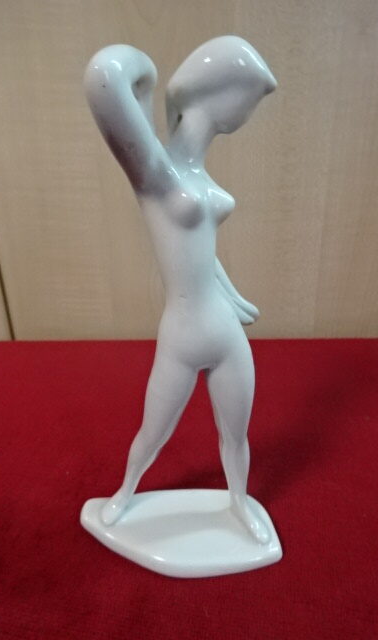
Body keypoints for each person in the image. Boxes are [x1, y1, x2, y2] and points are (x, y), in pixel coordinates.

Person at [84, 35, 277, 543]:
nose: (248, 112)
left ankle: (239, 504)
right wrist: (148, 71)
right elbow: (105, 78)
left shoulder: (199, 178)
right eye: (250, 96)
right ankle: (124, 491)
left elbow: (202, 257)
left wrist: (233, 296)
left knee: (236, 433)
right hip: (182, 335)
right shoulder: (155, 174)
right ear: (225, 95)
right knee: (154, 432)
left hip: (225, 332)